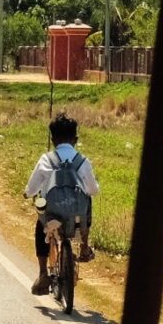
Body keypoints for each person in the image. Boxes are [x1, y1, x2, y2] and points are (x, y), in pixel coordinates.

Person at [24, 113, 100, 295]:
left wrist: (27, 193)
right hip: (76, 215)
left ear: (52, 139)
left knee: (40, 224)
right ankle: (84, 246)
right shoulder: (83, 162)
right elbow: (93, 190)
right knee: (87, 200)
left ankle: (43, 273)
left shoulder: (46, 159)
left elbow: (32, 188)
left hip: (52, 213)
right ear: (76, 139)